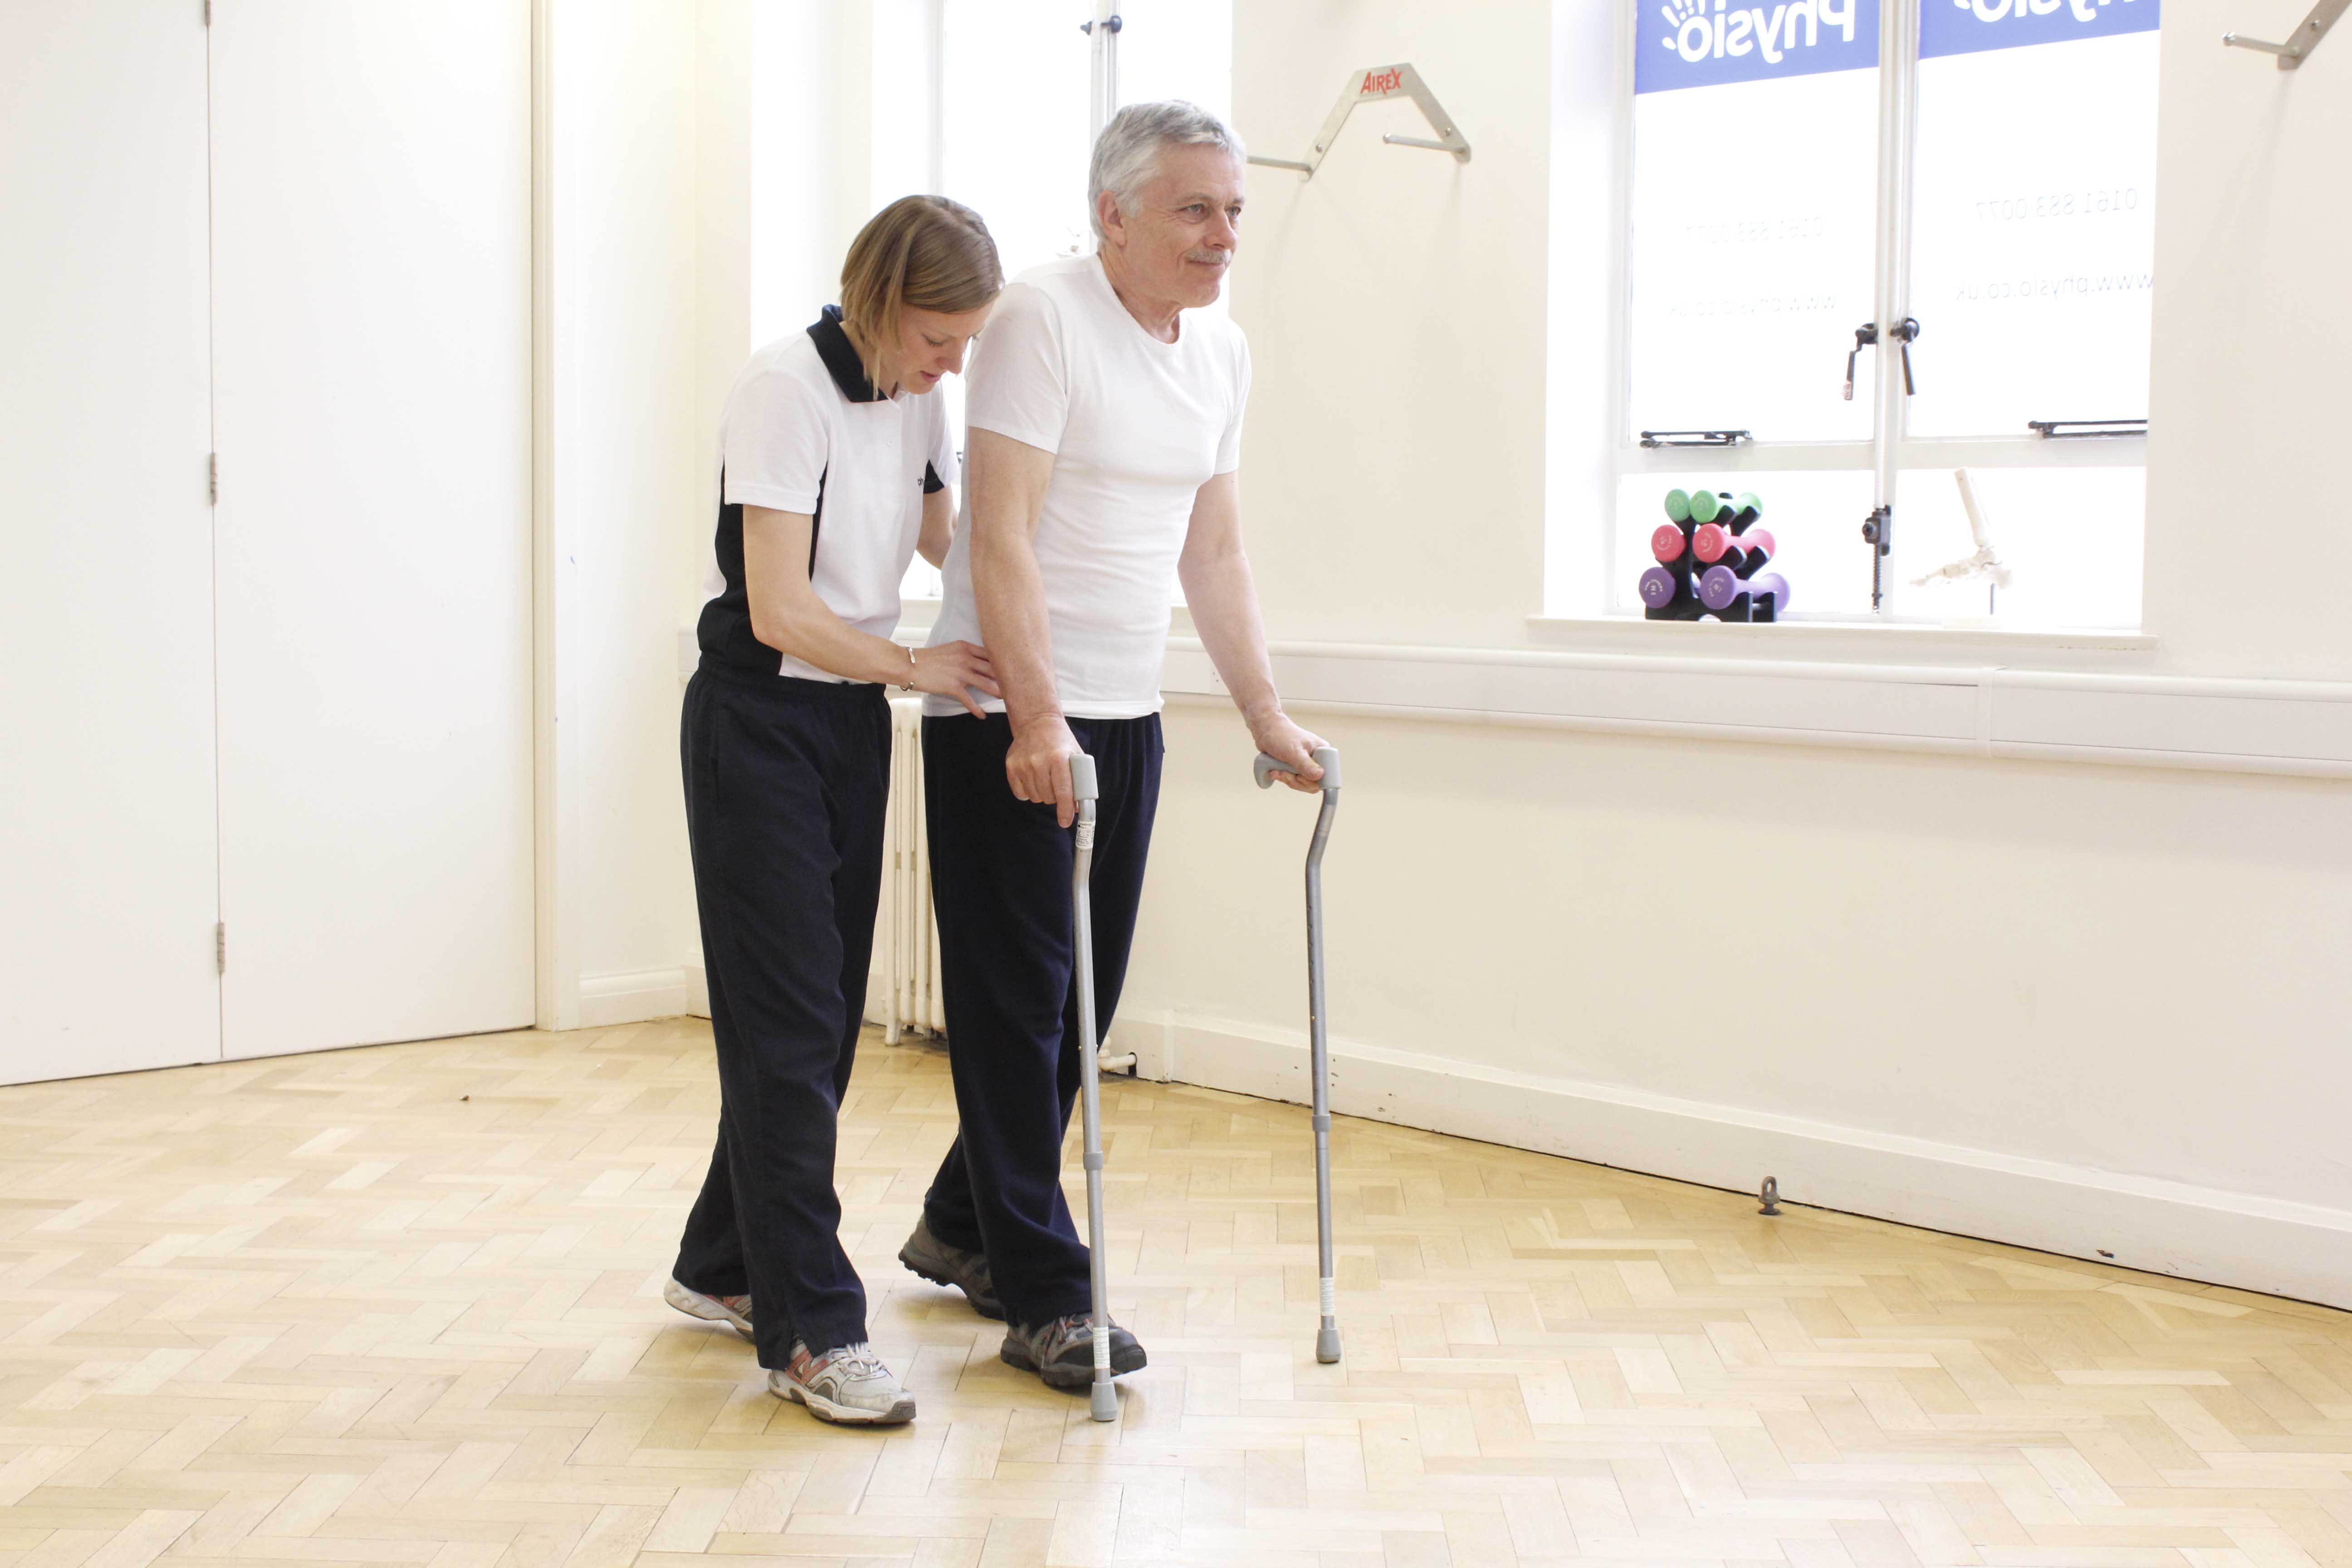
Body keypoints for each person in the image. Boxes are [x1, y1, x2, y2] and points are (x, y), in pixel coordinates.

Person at [896, 103, 1326, 1392]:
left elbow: (1217, 548)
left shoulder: (1223, 355)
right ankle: (1047, 1292)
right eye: (1197, 209)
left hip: (1127, 716)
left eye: (1236, 210)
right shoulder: (1042, 318)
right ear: (1116, 216)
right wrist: (1034, 716)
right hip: (1006, 718)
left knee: (1085, 1004)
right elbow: (1002, 534)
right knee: (1018, 1009)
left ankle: (967, 1223)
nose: (1223, 236)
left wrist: (1264, 714)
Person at [665, 196, 1001, 1426]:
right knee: (794, 1027)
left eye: (965, 344)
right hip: (759, 721)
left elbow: (937, 540)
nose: (950, 363)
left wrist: (1012, 599)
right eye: (938, 338)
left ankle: (721, 1264)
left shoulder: (917, 393)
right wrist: (919, 667)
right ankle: (812, 1331)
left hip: (850, 720)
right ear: (878, 300)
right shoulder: (782, 390)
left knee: (803, 1021)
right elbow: (778, 607)